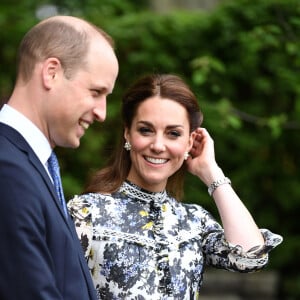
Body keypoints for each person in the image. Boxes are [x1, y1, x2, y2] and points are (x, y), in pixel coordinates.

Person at [68, 74, 282, 299]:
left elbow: (251, 257)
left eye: (173, 134)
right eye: (146, 130)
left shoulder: (193, 221)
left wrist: (211, 172)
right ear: (127, 133)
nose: (158, 145)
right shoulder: (86, 213)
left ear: (189, 142)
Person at [0, 15, 118, 300]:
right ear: (51, 72)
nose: (102, 113)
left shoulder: (29, 165)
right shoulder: (7, 169)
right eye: (96, 92)